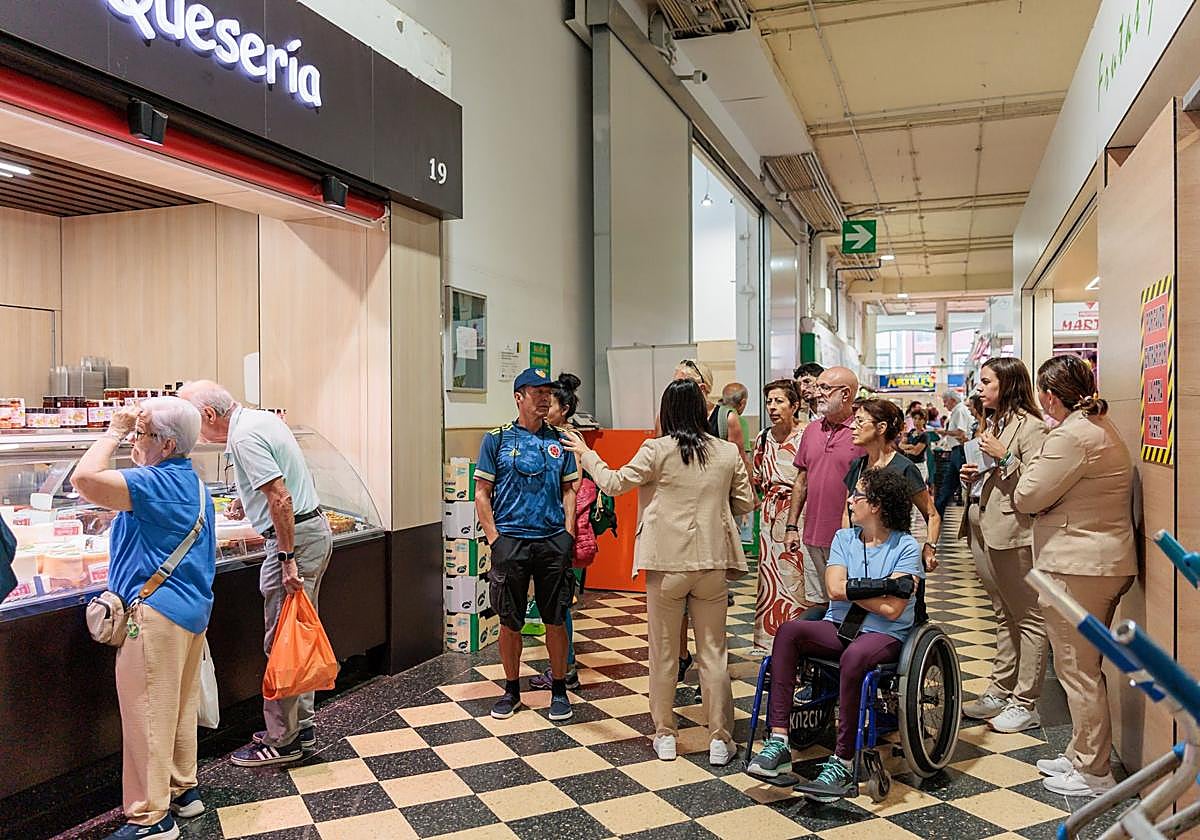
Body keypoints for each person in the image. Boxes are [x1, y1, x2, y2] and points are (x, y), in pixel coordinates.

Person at [563, 379, 754, 765]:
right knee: (713, 652)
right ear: (703, 411)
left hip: (666, 565)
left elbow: (614, 484)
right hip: (712, 563)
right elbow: (746, 501)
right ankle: (719, 739)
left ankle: (665, 734)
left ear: (666, 410)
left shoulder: (656, 450)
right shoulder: (726, 452)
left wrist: (586, 454)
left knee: (664, 653)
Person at [73, 399, 215, 840]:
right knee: (175, 708)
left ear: (168, 443)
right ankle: (182, 792)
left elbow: (84, 479)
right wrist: (140, 445)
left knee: (147, 714)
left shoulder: (154, 483)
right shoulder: (189, 479)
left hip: (153, 614)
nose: (136, 438)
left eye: (143, 433)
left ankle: (151, 819)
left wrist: (113, 432)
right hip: (189, 610)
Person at [178, 381, 332, 767]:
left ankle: (283, 741)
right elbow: (278, 489)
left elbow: (280, 496)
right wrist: (247, 505)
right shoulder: (259, 420)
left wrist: (286, 558)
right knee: (296, 637)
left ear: (209, 416)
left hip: (296, 542)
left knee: (282, 643)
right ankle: (302, 728)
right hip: (310, 532)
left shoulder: (244, 437)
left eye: (189, 419)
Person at [748, 469, 925, 802]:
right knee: (788, 632)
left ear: (876, 505)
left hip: (884, 636)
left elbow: (893, 612)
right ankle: (779, 742)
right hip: (840, 627)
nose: (849, 500)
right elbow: (833, 589)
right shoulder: (844, 539)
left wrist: (852, 590)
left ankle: (843, 761)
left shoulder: (906, 547)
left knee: (855, 656)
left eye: (857, 496)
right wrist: (885, 586)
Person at [1014, 354, 1136, 797]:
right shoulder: (1096, 427)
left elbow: (1028, 496)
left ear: (1049, 395)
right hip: (1092, 561)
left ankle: (1093, 770)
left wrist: (1035, 482)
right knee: (1080, 668)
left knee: (1078, 671)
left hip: (1077, 566)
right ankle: (1081, 752)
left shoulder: (1072, 436)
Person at [472, 368, 579, 721]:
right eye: (537, 392)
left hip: (551, 542)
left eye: (548, 392)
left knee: (556, 619)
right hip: (511, 542)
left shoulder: (559, 440)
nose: (545, 398)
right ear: (519, 397)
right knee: (510, 621)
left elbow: (569, 491)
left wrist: (567, 534)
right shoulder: (497, 440)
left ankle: (560, 689)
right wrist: (494, 539)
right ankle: (512, 689)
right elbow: (482, 494)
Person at [957, 358, 1049, 734]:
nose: (979, 389)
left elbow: (1039, 484)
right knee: (1002, 611)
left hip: (1013, 532)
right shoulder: (992, 423)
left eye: (986, 382)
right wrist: (973, 477)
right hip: (983, 525)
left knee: (1028, 615)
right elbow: (995, 475)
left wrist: (1003, 456)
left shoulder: (1033, 428)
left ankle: (1026, 701)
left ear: (1008, 385)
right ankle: (1000, 688)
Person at [529, 373, 596, 693]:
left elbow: (571, 487)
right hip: (548, 529)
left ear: (564, 408)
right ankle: (563, 663)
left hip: (558, 530)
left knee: (557, 603)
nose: (543, 406)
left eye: (549, 402)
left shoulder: (568, 440)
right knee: (555, 602)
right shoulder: (552, 435)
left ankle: (566, 667)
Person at [784, 366, 865, 611]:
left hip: (850, 537)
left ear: (846, 394)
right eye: (818, 387)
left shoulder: (862, 431)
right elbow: (802, 480)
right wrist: (791, 526)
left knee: (850, 604)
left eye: (825, 388)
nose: (817, 393)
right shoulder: (811, 431)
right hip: (812, 535)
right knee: (819, 603)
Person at [843, 399, 940, 573]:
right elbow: (846, 512)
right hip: (861, 553)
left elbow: (932, 514)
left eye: (859, 421)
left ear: (881, 428)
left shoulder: (904, 468)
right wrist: (846, 548)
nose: (852, 426)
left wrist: (929, 547)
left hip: (894, 555)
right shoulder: (857, 466)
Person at [751, 379, 806, 651]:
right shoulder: (763, 437)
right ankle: (771, 646)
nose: (772, 407)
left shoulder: (806, 435)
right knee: (769, 578)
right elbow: (758, 477)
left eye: (779, 401)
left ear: (794, 405)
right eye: (769, 402)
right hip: (770, 514)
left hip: (798, 514)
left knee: (796, 577)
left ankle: (800, 642)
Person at [932, 389, 972, 515]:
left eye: (945, 402)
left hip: (960, 451)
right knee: (948, 485)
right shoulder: (957, 411)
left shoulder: (959, 410)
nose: (944, 405)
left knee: (957, 484)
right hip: (956, 451)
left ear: (953, 400)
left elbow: (961, 432)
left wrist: (944, 432)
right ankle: (937, 514)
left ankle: (938, 512)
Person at [900, 407, 937, 488]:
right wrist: (910, 446)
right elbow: (901, 445)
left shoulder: (925, 435)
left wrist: (906, 449)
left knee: (918, 489)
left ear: (924, 420)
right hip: (909, 464)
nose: (916, 421)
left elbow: (916, 452)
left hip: (919, 465)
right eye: (915, 418)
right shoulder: (911, 432)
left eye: (919, 419)